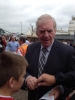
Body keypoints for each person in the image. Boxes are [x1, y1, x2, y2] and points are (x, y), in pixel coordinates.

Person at [25, 14, 75, 100]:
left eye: (49, 31)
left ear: (55, 31)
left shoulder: (67, 51)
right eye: (42, 31)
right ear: (36, 32)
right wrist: (28, 78)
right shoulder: (31, 48)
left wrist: (61, 89)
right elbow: (23, 70)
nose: (46, 35)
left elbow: (73, 76)